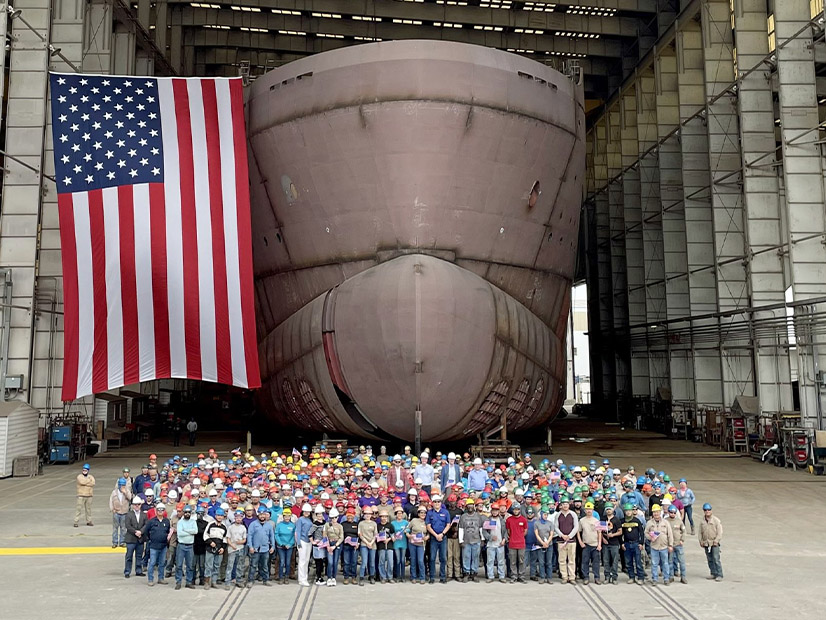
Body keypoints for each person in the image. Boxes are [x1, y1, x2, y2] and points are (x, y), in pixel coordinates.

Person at [644, 505, 673, 586]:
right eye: (654, 512)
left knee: (665, 563)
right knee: (654, 563)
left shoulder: (665, 522)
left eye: (657, 512)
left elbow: (670, 534)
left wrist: (670, 545)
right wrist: (650, 538)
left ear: (660, 512)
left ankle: (666, 579)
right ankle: (655, 579)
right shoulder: (649, 523)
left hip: (664, 547)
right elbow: (645, 533)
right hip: (654, 547)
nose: (656, 514)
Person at [143, 503, 171, 586]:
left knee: (162, 563)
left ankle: (161, 578)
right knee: (152, 563)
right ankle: (150, 579)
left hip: (163, 546)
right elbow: (146, 532)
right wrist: (151, 539)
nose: (160, 511)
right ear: (156, 511)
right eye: (159, 509)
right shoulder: (151, 521)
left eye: (162, 509)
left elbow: (168, 531)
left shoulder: (166, 521)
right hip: (154, 546)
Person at [425, 494, 451, 584]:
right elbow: (428, 526)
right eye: (435, 502)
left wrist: (442, 534)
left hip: (443, 538)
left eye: (438, 502)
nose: (437, 503)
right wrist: (436, 535)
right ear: (432, 503)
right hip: (433, 538)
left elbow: (448, 524)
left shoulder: (446, 512)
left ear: (441, 503)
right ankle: (432, 577)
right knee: (432, 558)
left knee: (443, 558)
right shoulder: (429, 513)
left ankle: (442, 577)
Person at [247, 505, 275, 587]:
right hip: (255, 549)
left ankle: (265, 579)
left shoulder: (269, 525)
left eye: (264, 514)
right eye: (261, 514)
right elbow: (250, 536)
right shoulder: (253, 524)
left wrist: (272, 546)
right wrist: (250, 546)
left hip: (265, 549)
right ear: (258, 515)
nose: (262, 516)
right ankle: (250, 580)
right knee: (253, 565)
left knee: (265, 566)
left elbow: (271, 536)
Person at [554, 498, 579, 585]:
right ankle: (564, 577)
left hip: (571, 541)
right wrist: (562, 535)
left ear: (569, 505)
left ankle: (572, 577)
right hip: (561, 541)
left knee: (571, 560)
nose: (565, 505)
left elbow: (576, 527)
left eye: (566, 504)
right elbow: (556, 527)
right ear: (561, 505)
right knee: (562, 560)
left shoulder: (573, 514)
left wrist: (569, 536)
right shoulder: (558, 515)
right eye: (563, 504)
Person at [458, 498, 483, 582]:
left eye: (471, 505)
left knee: (475, 557)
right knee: (466, 557)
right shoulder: (463, 517)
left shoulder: (478, 516)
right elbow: (461, 529)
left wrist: (482, 538)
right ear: (466, 506)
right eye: (468, 505)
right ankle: (466, 573)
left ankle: (474, 574)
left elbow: (481, 528)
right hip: (466, 541)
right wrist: (460, 540)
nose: (470, 506)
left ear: (474, 506)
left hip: (476, 540)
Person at [203, 508, 228, 589]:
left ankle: (214, 581)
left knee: (217, 565)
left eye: (221, 515)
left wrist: (223, 548)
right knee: (208, 565)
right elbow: (205, 535)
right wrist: (210, 542)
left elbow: (225, 538)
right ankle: (207, 582)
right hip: (210, 548)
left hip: (219, 549)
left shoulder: (224, 527)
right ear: (215, 516)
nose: (219, 517)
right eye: (218, 515)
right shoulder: (210, 524)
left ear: (223, 516)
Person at [621, 503, 646, 585]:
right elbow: (621, 534)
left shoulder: (637, 521)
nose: (628, 512)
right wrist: (622, 543)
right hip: (627, 544)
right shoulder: (622, 521)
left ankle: (640, 577)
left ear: (632, 511)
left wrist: (641, 543)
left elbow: (642, 533)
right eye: (626, 511)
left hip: (636, 544)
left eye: (629, 511)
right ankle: (631, 577)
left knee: (638, 562)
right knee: (628, 562)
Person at [577, 501, 602, 585]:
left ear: (593, 510)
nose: (588, 511)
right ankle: (586, 577)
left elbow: (599, 533)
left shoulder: (596, 520)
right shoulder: (581, 521)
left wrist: (599, 544)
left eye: (590, 509)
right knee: (585, 562)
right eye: (587, 509)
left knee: (596, 563)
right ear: (585, 510)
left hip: (595, 545)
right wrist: (580, 542)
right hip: (586, 545)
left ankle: (597, 577)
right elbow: (578, 532)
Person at [483, 502, 507, 583]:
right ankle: (490, 576)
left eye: (496, 510)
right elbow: (484, 532)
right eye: (493, 510)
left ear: (498, 511)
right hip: (490, 545)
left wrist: (504, 539)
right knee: (490, 561)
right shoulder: (488, 520)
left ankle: (501, 576)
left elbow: (506, 531)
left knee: (501, 561)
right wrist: (490, 537)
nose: (494, 512)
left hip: (500, 544)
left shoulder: (502, 520)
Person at [698, 503, 723, 581]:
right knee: (709, 559)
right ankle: (713, 573)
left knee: (716, 558)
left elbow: (720, 532)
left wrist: (716, 541)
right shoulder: (702, 521)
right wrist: (701, 541)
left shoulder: (716, 520)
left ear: (711, 510)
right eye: (705, 510)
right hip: (706, 543)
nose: (707, 511)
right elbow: (700, 532)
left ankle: (719, 574)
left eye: (709, 510)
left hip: (714, 543)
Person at [175, 504, 198, 590]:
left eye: (189, 512)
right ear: (183, 513)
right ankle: (178, 582)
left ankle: (189, 582)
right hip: (181, 545)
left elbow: (195, 531)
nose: (187, 514)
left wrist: (185, 530)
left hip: (190, 546)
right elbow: (180, 533)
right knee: (179, 565)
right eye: (186, 512)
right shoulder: (180, 522)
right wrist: (190, 532)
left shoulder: (193, 521)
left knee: (190, 565)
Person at [124, 495, 148, 578]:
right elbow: (128, 525)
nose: (137, 506)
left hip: (140, 539)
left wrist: (141, 531)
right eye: (135, 504)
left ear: (140, 505)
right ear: (132, 505)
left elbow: (146, 524)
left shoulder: (144, 515)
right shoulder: (129, 515)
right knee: (129, 556)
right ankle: (127, 571)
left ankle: (138, 570)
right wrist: (135, 532)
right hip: (131, 539)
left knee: (139, 556)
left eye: (138, 504)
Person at [505, 503, 528, 583]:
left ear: (519, 510)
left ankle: (521, 576)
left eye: (517, 509)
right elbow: (508, 531)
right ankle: (514, 576)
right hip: (512, 543)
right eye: (514, 509)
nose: (516, 511)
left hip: (521, 544)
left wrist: (520, 536)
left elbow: (525, 531)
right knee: (513, 561)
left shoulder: (524, 520)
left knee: (521, 561)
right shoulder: (509, 520)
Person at [226, 509, 249, 588]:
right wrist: (232, 545)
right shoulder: (230, 527)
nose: (238, 519)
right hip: (232, 549)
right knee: (230, 566)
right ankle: (227, 582)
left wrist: (241, 542)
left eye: (240, 517)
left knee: (240, 565)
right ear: (234, 518)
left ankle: (239, 580)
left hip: (240, 548)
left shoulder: (243, 528)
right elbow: (228, 538)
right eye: (237, 517)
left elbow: (245, 539)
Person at [406, 505, 429, 584]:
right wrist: (408, 535)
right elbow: (407, 529)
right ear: (418, 513)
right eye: (421, 513)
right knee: (413, 560)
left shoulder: (427, 522)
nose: (423, 514)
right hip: (412, 543)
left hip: (421, 544)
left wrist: (427, 537)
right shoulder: (414, 520)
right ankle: (413, 577)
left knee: (420, 560)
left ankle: (422, 577)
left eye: (424, 513)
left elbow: (429, 533)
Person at [601, 502, 623, 584]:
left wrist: (613, 535)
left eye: (610, 509)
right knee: (606, 561)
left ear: (613, 510)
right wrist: (603, 538)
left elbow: (620, 531)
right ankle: (607, 576)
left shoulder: (616, 520)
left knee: (614, 561)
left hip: (614, 543)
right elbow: (599, 530)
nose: (608, 511)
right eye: (607, 509)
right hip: (605, 543)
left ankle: (614, 577)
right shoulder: (603, 519)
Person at [666, 504, 687, 584]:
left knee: (681, 562)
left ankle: (683, 577)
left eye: (674, 513)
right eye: (671, 512)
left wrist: (682, 540)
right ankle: (671, 577)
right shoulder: (666, 521)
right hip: (670, 545)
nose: (672, 514)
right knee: (670, 562)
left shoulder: (679, 521)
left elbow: (684, 531)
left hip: (678, 544)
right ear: (668, 512)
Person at [533, 507, 555, 584]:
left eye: (547, 515)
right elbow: (536, 534)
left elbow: (551, 534)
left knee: (549, 562)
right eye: (545, 514)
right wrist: (542, 543)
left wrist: (547, 543)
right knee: (541, 562)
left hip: (549, 545)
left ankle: (549, 577)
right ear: (541, 514)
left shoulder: (550, 523)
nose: (546, 516)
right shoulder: (536, 523)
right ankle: (542, 577)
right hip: (540, 545)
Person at [274, 508, 296, 585]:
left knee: (288, 562)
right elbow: (276, 534)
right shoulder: (279, 525)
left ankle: (286, 576)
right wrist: (280, 544)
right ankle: (280, 577)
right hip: (281, 547)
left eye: (288, 516)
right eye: (285, 516)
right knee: (281, 561)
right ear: (283, 517)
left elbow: (294, 536)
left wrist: (289, 544)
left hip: (289, 547)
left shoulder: (292, 525)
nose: (287, 518)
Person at [358, 505, 378, 585]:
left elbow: (375, 534)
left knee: (372, 562)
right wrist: (367, 543)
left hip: (372, 544)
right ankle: (361, 577)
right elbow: (360, 535)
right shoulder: (361, 523)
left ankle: (372, 576)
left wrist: (371, 542)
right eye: (366, 514)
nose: (368, 515)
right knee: (364, 562)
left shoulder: (374, 523)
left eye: (369, 514)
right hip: (364, 544)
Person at [109, 477, 132, 547]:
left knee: (123, 528)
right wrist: (112, 509)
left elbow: (130, 498)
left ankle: (122, 541)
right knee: (115, 528)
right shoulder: (114, 492)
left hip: (124, 512)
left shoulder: (127, 491)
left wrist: (125, 492)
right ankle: (114, 542)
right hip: (116, 512)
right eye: (122, 485)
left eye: (124, 485)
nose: (123, 487)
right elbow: (110, 501)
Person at [323, 507, 344, 586]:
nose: (334, 519)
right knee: (330, 562)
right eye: (332, 518)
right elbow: (324, 536)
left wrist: (335, 545)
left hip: (337, 544)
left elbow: (341, 537)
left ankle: (334, 577)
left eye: (335, 517)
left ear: (338, 517)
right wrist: (328, 546)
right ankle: (329, 577)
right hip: (329, 544)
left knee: (335, 562)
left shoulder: (340, 526)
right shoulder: (327, 525)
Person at [295, 503, 314, 587]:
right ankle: (301, 579)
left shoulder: (310, 520)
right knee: (302, 561)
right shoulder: (300, 520)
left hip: (309, 541)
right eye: (305, 512)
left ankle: (305, 577)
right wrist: (298, 543)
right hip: (302, 541)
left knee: (306, 561)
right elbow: (297, 531)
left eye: (308, 512)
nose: (307, 513)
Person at [341, 508, 360, 584]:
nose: (349, 517)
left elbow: (359, 535)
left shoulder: (357, 524)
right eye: (348, 516)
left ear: (354, 516)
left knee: (354, 562)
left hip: (355, 546)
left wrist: (358, 543)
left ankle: (353, 577)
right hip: (346, 545)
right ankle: (346, 577)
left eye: (351, 516)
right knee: (346, 562)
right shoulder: (343, 524)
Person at [376, 509, 395, 583]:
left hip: (389, 546)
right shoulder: (378, 526)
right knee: (382, 562)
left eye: (385, 517)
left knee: (390, 562)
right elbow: (375, 535)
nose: (384, 518)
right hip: (381, 546)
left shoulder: (390, 525)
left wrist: (389, 539)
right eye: (382, 517)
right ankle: (383, 577)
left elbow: (393, 536)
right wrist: (379, 538)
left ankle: (390, 576)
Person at [391, 507, 409, 582]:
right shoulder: (393, 523)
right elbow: (391, 532)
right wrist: (393, 537)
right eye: (398, 513)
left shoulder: (406, 522)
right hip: (396, 543)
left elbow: (408, 529)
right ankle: (398, 576)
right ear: (395, 514)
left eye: (401, 513)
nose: (399, 515)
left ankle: (403, 576)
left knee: (402, 560)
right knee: (398, 560)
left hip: (403, 542)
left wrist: (406, 531)